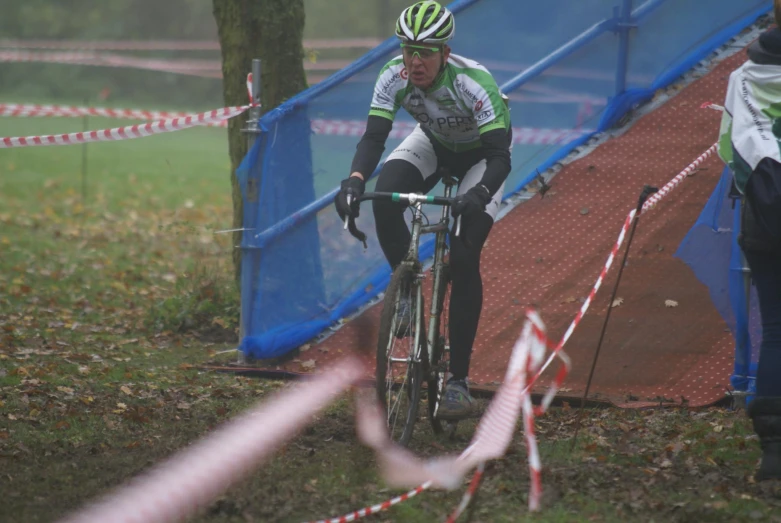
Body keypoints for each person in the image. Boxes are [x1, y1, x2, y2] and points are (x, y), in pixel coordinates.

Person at [334, 1, 512, 420]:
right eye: (407, 49)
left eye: (426, 51)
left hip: (482, 159)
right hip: (432, 144)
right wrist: (354, 180)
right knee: (385, 197)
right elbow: (374, 137)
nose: (415, 61)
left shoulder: (474, 83)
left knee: (465, 254)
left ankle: (458, 385)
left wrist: (481, 193)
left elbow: (499, 157)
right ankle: (407, 294)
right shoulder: (392, 77)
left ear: (445, 54)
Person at [718, 1, 781, 481]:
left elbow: (728, 148)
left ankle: (774, 449)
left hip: (764, 220)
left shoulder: (743, 76)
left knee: (777, 328)